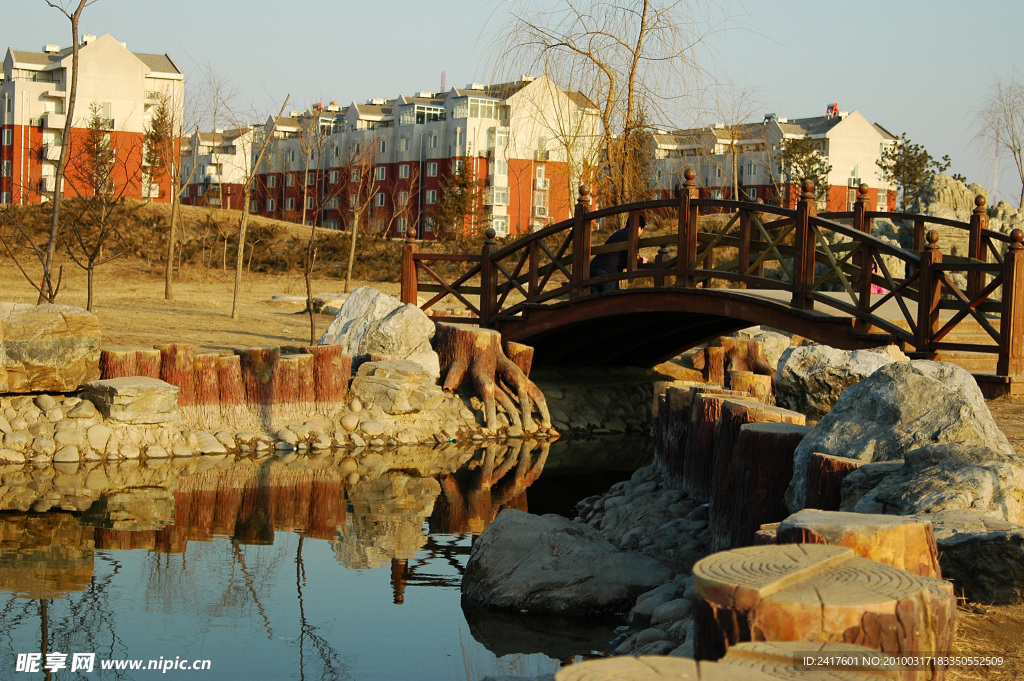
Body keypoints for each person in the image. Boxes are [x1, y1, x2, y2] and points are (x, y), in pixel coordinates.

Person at [589, 214, 647, 294]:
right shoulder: (633, 235)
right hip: (608, 271)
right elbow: (633, 258)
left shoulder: (619, 233)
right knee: (613, 301)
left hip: (594, 267)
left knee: (595, 302)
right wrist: (641, 260)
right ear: (639, 228)